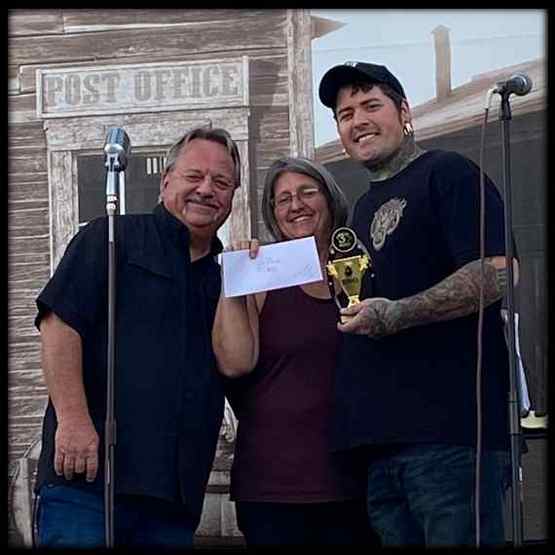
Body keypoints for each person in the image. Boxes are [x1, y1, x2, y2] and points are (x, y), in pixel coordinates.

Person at [318, 61, 518, 547]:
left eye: (371, 105)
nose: (358, 120)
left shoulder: (448, 173)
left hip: (451, 440)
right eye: (346, 114)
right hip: (381, 449)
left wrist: (397, 314)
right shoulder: (362, 209)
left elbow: (499, 272)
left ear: (404, 112)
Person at [33, 127, 241, 548]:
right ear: (166, 181)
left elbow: (237, 364)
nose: (206, 189)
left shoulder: (227, 278)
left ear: (233, 195)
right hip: (88, 484)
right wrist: (72, 420)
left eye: (221, 182)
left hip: (173, 502)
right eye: (194, 176)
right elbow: (59, 324)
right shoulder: (111, 237)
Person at [212, 157, 376, 546]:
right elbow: (234, 363)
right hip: (275, 486)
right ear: (273, 212)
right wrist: (235, 275)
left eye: (307, 192)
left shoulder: (364, 262)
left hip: (360, 479)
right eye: (283, 199)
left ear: (330, 199)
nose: (296, 205)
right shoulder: (261, 272)